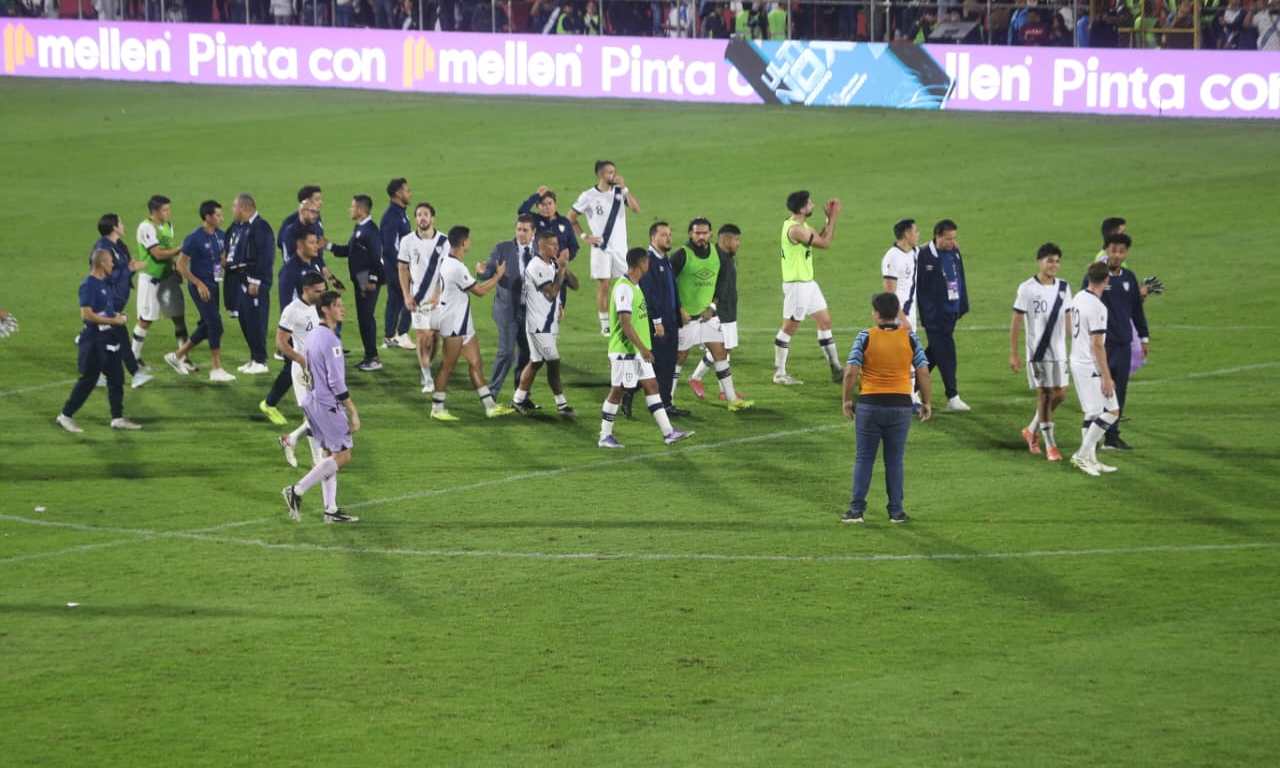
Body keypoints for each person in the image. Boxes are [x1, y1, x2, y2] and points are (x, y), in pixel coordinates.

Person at [839, 292, 932, 524]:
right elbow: (923, 371)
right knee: (895, 460)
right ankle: (896, 512)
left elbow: (850, 371)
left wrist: (847, 400)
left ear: (877, 314)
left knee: (864, 458)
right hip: (901, 407)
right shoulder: (910, 338)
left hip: (870, 405)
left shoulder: (865, 337)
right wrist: (927, 402)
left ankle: (856, 510)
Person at [598, 248, 693, 449]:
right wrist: (643, 348)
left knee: (652, 387)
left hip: (637, 352)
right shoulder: (624, 287)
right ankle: (604, 436)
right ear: (641, 264)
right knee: (617, 391)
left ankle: (668, 433)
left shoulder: (635, 286)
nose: (649, 265)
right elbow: (625, 323)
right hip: (627, 352)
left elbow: (637, 318)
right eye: (647, 262)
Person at [281, 291, 361, 524]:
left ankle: (331, 509)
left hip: (312, 400)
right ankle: (296, 490)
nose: (342, 309)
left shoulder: (313, 335)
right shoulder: (331, 341)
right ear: (325, 310)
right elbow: (336, 382)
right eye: (337, 305)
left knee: (328, 455)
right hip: (328, 404)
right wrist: (352, 410)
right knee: (343, 455)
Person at [429, 226, 514, 421]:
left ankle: (490, 406)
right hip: (453, 324)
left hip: (462, 322)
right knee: (447, 366)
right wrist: (498, 276)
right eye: (469, 240)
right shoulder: (456, 267)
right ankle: (437, 407)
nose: (470, 242)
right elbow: (480, 291)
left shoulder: (449, 261)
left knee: (476, 363)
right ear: (463, 243)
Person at [670, 218, 752, 412]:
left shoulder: (717, 254)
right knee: (679, 358)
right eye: (697, 233)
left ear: (711, 234)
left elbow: (723, 282)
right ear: (690, 233)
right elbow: (668, 281)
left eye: (705, 233)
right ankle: (668, 401)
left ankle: (732, 399)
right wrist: (678, 309)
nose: (701, 236)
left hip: (707, 318)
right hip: (686, 318)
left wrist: (713, 306)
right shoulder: (682, 254)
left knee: (721, 353)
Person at [56, 249, 141, 433]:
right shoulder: (89, 285)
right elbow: (86, 315)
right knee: (89, 380)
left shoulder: (103, 283)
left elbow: (103, 310)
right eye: (110, 261)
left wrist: (117, 316)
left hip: (108, 338)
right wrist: (114, 321)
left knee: (117, 378)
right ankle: (65, 416)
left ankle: (117, 418)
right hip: (94, 340)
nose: (113, 264)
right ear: (102, 263)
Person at [260, 226, 334, 424]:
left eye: (316, 242)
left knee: (297, 368)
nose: (316, 246)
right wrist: (291, 332)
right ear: (300, 245)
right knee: (292, 367)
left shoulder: (315, 262)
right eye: (311, 242)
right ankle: (270, 403)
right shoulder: (290, 270)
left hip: (312, 322)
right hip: (297, 328)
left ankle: (277, 403)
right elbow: (287, 303)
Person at [1009, 243, 1072, 462]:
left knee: (1061, 394)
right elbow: (1017, 321)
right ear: (1040, 261)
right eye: (1049, 260)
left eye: (1056, 261)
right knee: (1045, 395)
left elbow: (1068, 317)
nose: (1054, 265)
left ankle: (1031, 429)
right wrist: (1014, 353)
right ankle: (1050, 445)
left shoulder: (1064, 287)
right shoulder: (1027, 288)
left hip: (1059, 351)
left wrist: (1075, 340)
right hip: (1038, 352)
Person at [1086, 232, 1149, 451]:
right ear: (1106, 250)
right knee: (1096, 392)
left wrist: (1143, 336)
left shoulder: (1129, 278)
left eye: (1121, 251)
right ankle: (1091, 439)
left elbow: (1136, 310)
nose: (1117, 255)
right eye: (1113, 250)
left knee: (1119, 391)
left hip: (1123, 345)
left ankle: (1112, 437)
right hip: (1101, 345)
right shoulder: (1095, 276)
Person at [773, 190, 843, 386]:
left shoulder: (801, 226)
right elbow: (825, 243)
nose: (812, 204)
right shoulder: (795, 229)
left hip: (808, 284)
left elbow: (818, 237)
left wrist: (829, 220)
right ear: (802, 208)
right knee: (789, 328)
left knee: (825, 321)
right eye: (809, 203)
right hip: (797, 286)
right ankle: (779, 373)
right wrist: (834, 217)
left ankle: (836, 368)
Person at [570, 160, 641, 337]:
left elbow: (636, 209)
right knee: (604, 285)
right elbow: (570, 217)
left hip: (620, 248)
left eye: (614, 172)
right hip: (601, 248)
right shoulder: (588, 196)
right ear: (600, 175)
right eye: (610, 172)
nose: (614, 175)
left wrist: (625, 189)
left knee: (624, 283)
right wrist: (585, 236)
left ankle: (625, 318)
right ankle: (605, 324)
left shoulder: (619, 192)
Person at [512, 231, 579, 417]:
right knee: (553, 362)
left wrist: (564, 268)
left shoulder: (552, 264)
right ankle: (562, 405)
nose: (556, 248)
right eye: (552, 245)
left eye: (557, 245)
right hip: (538, 325)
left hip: (549, 325)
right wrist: (561, 271)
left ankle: (518, 399)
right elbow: (550, 293)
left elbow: (575, 285)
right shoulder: (536, 266)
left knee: (536, 362)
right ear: (541, 246)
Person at [169, 201, 236, 383]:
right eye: (218, 215)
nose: (222, 218)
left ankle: (177, 355)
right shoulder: (194, 238)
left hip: (214, 285)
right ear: (207, 217)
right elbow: (180, 265)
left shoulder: (221, 235)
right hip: (200, 287)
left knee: (208, 325)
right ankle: (216, 368)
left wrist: (228, 264)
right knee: (215, 325)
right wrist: (198, 284)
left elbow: (221, 259)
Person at [478, 214, 537, 402]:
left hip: (530, 312)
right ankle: (490, 395)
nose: (521, 233)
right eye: (518, 229)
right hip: (507, 310)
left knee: (527, 355)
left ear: (533, 232)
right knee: (507, 352)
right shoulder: (502, 249)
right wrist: (482, 272)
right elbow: (489, 269)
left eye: (525, 230)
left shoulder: (539, 251)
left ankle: (521, 397)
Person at [1069, 262, 1120, 477]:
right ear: (1106, 280)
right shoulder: (1099, 307)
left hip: (1079, 361)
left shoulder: (1079, 297)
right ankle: (1081, 455)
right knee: (1111, 412)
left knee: (1093, 413)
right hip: (1089, 365)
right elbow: (1097, 344)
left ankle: (1091, 458)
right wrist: (1107, 377)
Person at [916, 219, 971, 412]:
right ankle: (952, 396)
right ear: (937, 236)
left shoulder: (954, 251)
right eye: (948, 238)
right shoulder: (922, 256)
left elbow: (959, 277)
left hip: (951, 310)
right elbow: (918, 289)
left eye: (954, 238)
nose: (952, 242)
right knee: (947, 353)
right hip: (934, 315)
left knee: (935, 351)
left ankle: (912, 388)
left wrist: (962, 305)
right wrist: (923, 315)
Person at [91, 213, 151, 389]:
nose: (123, 225)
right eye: (121, 223)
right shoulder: (101, 249)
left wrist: (132, 268)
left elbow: (125, 269)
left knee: (106, 338)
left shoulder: (120, 245)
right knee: (121, 336)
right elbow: (103, 275)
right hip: (106, 300)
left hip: (118, 297)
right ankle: (135, 373)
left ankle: (99, 374)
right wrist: (128, 268)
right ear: (114, 227)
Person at [274, 272, 327, 469]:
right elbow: (280, 342)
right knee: (314, 414)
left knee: (320, 413)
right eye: (318, 291)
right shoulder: (292, 311)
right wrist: (301, 360)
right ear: (306, 290)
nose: (322, 294)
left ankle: (291, 439)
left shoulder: (317, 306)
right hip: (303, 369)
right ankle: (317, 460)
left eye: (323, 290)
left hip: (320, 366)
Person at [688, 223, 745, 403]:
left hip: (729, 310)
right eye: (736, 239)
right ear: (726, 240)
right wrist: (710, 309)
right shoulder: (715, 258)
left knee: (724, 350)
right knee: (721, 350)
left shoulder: (727, 257)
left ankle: (700, 380)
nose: (738, 243)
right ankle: (720, 389)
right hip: (718, 313)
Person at [397, 202, 450, 393]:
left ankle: (426, 366)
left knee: (434, 338)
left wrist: (438, 294)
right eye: (419, 215)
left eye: (426, 214)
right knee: (422, 336)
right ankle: (427, 377)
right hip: (417, 297)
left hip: (439, 296)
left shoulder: (444, 241)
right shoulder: (407, 241)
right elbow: (402, 268)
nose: (422, 218)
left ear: (432, 218)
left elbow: (446, 271)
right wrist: (406, 295)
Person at [132, 194, 189, 369]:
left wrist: (175, 268)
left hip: (167, 279)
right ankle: (133, 356)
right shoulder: (146, 227)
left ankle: (183, 357)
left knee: (178, 316)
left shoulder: (167, 226)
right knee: (145, 320)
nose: (168, 212)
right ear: (155, 211)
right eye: (165, 210)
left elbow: (167, 251)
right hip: (151, 280)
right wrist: (180, 249)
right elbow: (157, 253)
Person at [631, 221, 681, 418]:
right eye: (663, 235)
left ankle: (665, 403)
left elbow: (670, 289)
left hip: (671, 321)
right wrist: (657, 321)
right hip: (658, 324)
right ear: (653, 238)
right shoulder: (649, 261)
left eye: (669, 234)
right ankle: (631, 392)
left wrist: (679, 311)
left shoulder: (664, 259)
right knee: (658, 364)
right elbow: (649, 294)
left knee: (668, 363)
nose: (668, 238)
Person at [329, 194, 384, 371]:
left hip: (367, 281)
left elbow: (378, 259)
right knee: (363, 319)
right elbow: (351, 251)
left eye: (352, 207)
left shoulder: (371, 231)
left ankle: (373, 358)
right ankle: (370, 356)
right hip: (361, 280)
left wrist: (372, 281)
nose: (350, 209)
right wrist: (329, 246)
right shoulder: (360, 227)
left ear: (361, 210)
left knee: (366, 319)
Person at [224, 193, 276, 375]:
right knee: (246, 320)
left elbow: (266, 257)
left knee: (256, 320)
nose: (233, 210)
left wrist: (256, 281)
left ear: (244, 208)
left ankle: (261, 361)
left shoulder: (261, 227)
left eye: (234, 206)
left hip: (256, 283)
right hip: (243, 281)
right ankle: (254, 358)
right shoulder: (245, 227)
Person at [380, 177, 414, 350]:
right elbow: (389, 246)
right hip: (397, 267)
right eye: (407, 190)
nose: (410, 193)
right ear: (398, 193)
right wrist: (403, 267)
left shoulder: (400, 212)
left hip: (398, 266)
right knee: (411, 296)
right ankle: (401, 334)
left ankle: (389, 336)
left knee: (395, 300)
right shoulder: (392, 216)